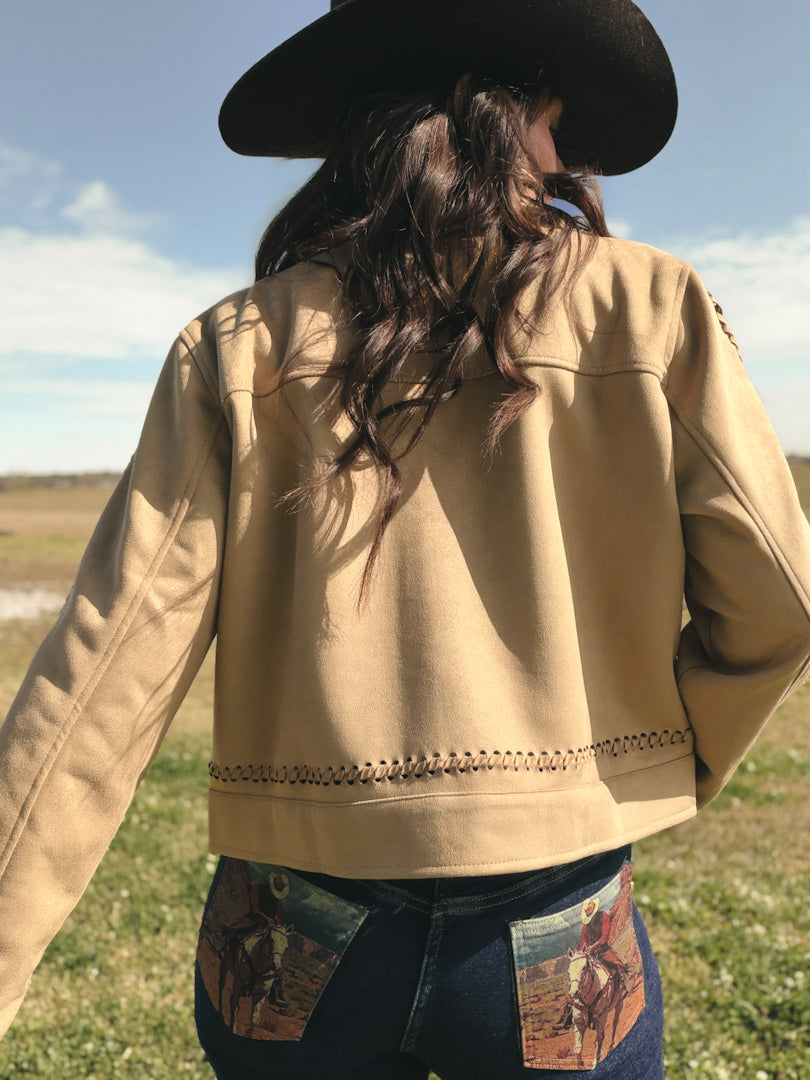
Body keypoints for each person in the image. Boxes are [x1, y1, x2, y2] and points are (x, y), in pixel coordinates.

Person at [1, 0, 809, 1076]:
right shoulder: (651, 305)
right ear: (528, 111)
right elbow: (781, 599)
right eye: (561, 122)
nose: (564, 152)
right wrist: (642, 760)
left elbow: (98, 679)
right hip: (560, 928)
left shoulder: (239, 342)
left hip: (287, 927)